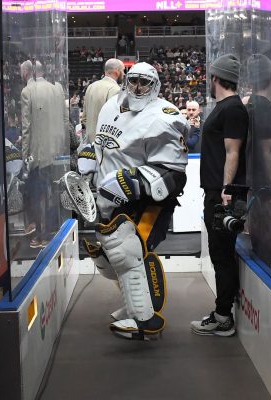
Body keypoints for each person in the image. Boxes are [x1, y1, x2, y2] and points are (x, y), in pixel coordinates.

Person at [79, 62, 189, 340]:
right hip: (108, 199)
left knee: (125, 252)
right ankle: (132, 307)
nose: (138, 88)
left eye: (145, 82)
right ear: (126, 80)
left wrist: (135, 181)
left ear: (156, 85)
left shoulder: (164, 115)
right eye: (134, 80)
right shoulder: (110, 105)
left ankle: (144, 321)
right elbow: (100, 144)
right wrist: (89, 155)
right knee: (109, 259)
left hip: (145, 201)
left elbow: (175, 174)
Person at [190, 54, 248, 337]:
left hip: (222, 195)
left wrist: (226, 190)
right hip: (216, 192)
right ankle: (222, 312)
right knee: (219, 253)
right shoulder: (226, 108)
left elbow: (232, 152)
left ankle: (224, 317)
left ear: (216, 78)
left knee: (222, 254)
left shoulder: (233, 109)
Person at [21, 60, 66, 248]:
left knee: (38, 194)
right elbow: (65, 120)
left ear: (27, 73)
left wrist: (25, 156)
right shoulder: (58, 89)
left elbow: (26, 128)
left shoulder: (27, 91)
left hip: (38, 154)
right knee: (53, 192)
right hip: (57, 152)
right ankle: (53, 230)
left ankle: (41, 234)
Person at [246, 54, 271, 269]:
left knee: (261, 245)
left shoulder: (252, 105)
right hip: (264, 192)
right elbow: (265, 153)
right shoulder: (263, 109)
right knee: (268, 249)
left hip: (256, 189)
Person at [81, 58, 125, 143]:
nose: (124, 74)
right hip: (104, 144)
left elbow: (84, 118)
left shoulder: (91, 86)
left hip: (90, 141)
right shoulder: (116, 90)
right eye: (123, 71)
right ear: (117, 72)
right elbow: (115, 121)